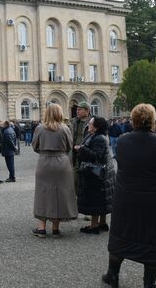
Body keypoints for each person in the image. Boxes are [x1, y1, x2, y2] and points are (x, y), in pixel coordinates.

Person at [103, 104, 156, 288]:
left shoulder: (122, 141)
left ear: (133, 120)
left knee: (122, 234)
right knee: (154, 239)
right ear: (153, 121)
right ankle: (149, 282)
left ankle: (113, 275)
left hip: (128, 196)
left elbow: (121, 160)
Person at [32, 103, 77, 237]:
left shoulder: (40, 128)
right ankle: (56, 228)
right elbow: (69, 146)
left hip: (45, 161)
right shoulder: (65, 129)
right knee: (60, 193)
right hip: (61, 162)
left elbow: (35, 146)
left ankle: (41, 228)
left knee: (43, 192)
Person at [75, 116, 115, 234]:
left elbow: (96, 155)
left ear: (96, 127)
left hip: (97, 174)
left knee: (95, 199)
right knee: (102, 199)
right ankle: (102, 223)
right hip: (102, 173)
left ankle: (94, 226)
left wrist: (81, 149)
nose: (88, 125)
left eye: (91, 123)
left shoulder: (99, 139)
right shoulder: (98, 136)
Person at [70, 101, 91, 192]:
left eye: (80, 109)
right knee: (74, 179)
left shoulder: (93, 122)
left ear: (87, 111)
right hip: (75, 154)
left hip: (87, 153)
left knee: (87, 179)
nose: (77, 111)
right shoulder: (74, 121)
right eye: (77, 109)